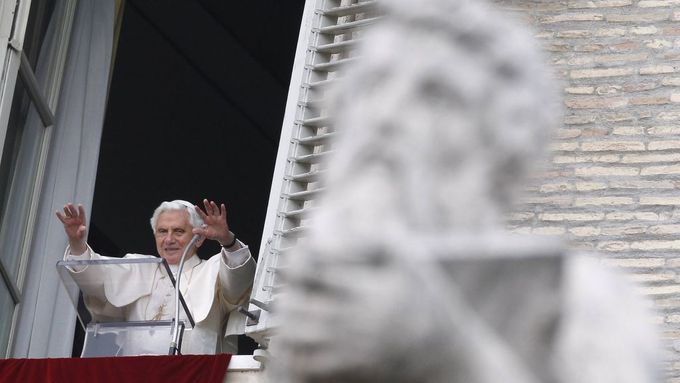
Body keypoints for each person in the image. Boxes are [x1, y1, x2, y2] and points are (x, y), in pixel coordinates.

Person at [56, 199, 256, 355]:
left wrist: (227, 241)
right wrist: (77, 244)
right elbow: (96, 281)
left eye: (178, 231)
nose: (169, 239)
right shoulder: (137, 267)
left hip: (194, 375)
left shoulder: (213, 270)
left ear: (200, 237)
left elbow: (241, 280)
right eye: (162, 231)